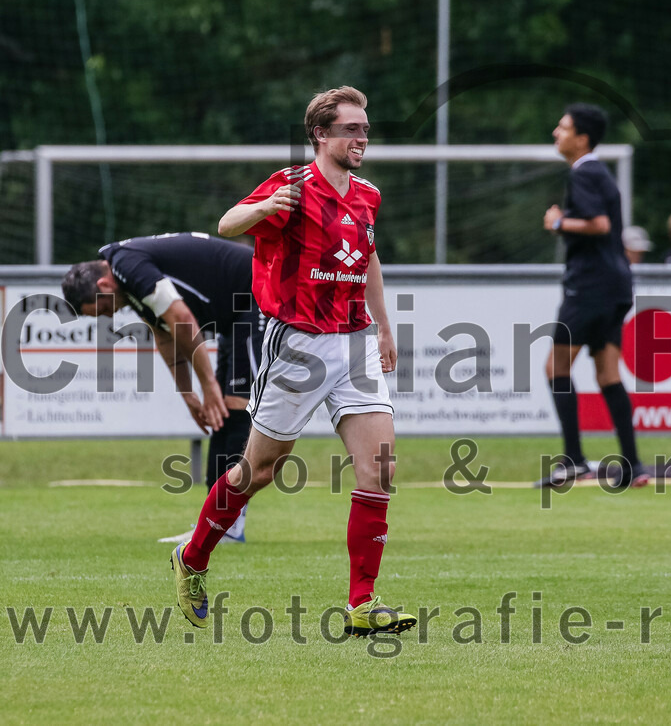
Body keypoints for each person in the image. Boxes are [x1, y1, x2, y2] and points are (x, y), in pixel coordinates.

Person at [169, 86, 416, 637]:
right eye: (351, 129)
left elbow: (369, 256)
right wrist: (261, 208)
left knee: (379, 464)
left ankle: (361, 602)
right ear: (320, 135)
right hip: (297, 344)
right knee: (260, 470)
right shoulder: (292, 185)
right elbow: (228, 223)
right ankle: (193, 556)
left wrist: (383, 325)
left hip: (353, 341)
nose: (362, 138)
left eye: (366, 128)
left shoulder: (368, 195)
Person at [62, 232, 263, 544]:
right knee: (221, 412)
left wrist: (207, 385)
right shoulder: (128, 281)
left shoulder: (128, 265)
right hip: (235, 312)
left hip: (258, 293)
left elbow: (182, 318)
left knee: (234, 405)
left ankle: (230, 525)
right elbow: (167, 337)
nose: (109, 315)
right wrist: (189, 396)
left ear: (103, 286)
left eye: (102, 310)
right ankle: (214, 523)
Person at [538, 103, 649, 488]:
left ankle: (573, 461)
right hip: (616, 286)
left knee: (556, 368)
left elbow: (599, 224)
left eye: (563, 127)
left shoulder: (584, 171)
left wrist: (558, 222)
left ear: (581, 138)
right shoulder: (599, 171)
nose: (556, 132)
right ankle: (633, 465)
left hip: (590, 287)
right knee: (607, 374)